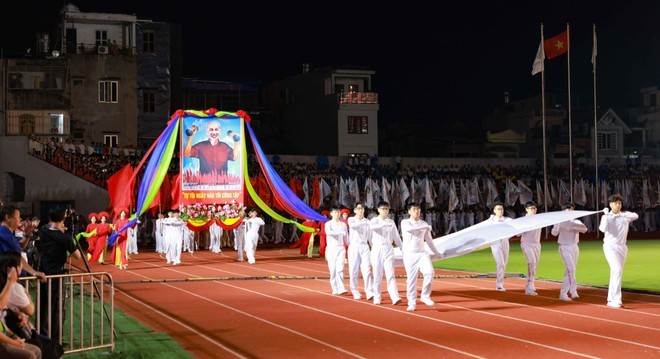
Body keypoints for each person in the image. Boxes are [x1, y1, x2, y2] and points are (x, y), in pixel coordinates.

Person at [37, 208, 81, 343]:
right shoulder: (64, 238)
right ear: (63, 219)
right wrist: (69, 239)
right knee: (56, 307)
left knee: (43, 305)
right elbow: (77, 256)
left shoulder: (43, 232)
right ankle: (56, 339)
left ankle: (42, 335)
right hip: (56, 275)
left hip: (43, 272)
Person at [400, 203, 443, 312]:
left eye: (418, 209)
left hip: (422, 253)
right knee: (411, 279)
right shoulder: (405, 222)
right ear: (409, 212)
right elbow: (411, 229)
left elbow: (428, 240)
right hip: (409, 255)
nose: (417, 211)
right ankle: (412, 302)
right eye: (414, 210)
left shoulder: (424, 223)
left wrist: (436, 252)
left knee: (430, 272)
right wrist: (426, 227)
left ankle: (425, 296)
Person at [599, 194, 638, 308]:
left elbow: (635, 216)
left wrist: (622, 215)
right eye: (616, 203)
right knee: (617, 270)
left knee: (615, 273)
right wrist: (607, 216)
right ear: (610, 204)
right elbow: (602, 229)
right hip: (610, 246)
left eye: (620, 203)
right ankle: (616, 299)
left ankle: (610, 299)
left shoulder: (624, 216)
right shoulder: (606, 217)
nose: (618, 205)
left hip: (622, 247)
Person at [0, 253, 43, 359]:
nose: (22, 266)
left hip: (7, 335)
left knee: (36, 350)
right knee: (30, 355)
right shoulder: (12, 287)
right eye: (20, 264)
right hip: (3, 342)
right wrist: (14, 342)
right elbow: (30, 310)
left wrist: (19, 314)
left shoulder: (8, 286)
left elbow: (3, 310)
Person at [369, 201, 403, 306]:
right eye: (383, 209)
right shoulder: (374, 220)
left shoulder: (391, 222)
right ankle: (377, 296)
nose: (385, 211)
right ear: (378, 210)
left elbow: (396, 236)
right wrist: (384, 224)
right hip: (377, 248)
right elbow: (372, 229)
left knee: (390, 273)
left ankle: (394, 296)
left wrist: (402, 248)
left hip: (388, 248)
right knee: (377, 274)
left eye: (387, 209)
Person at [551, 202, 587, 301]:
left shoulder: (576, 221)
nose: (569, 212)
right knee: (571, 269)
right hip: (564, 247)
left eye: (571, 210)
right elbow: (554, 233)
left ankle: (570, 291)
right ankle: (567, 292)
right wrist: (557, 224)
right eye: (567, 211)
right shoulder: (559, 221)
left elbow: (584, 229)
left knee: (570, 270)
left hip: (575, 247)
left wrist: (572, 227)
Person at [0, 205, 46, 282]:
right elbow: (17, 256)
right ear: (7, 217)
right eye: (17, 216)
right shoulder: (4, 233)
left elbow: (19, 248)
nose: (20, 219)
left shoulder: (7, 233)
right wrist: (33, 272)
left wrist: (27, 235)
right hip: (6, 280)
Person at [347, 203, 373, 300]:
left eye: (362, 208)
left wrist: (373, 247)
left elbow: (370, 236)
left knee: (367, 270)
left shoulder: (368, 221)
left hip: (364, 246)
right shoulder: (351, 219)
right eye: (358, 208)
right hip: (354, 246)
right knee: (353, 270)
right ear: (354, 210)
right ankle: (355, 291)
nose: (360, 210)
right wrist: (366, 223)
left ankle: (369, 291)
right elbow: (354, 227)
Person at [516, 201, 542, 296]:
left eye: (535, 208)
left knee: (535, 266)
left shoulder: (540, 219)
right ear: (526, 209)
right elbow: (518, 234)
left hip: (537, 244)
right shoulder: (523, 220)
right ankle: (528, 288)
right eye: (531, 208)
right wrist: (524, 226)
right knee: (532, 263)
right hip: (526, 244)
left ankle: (531, 284)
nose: (533, 210)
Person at [324, 206, 349, 295]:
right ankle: (334, 287)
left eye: (338, 212)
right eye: (335, 212)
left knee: (340, 268)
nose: (337, 214)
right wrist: (340, 232)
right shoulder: (328, 224)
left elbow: (346, 237)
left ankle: (341, 287)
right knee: (333, 269)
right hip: (331, 248)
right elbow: (328, 233)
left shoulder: (343, 225)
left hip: (341, 248)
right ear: (331, 213)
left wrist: (351, 245)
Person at [488, 202, 512, 291]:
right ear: (494, 210)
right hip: (495, 244)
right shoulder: (490, 221)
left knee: (504, 264)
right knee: (500, 263)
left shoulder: (507, 220)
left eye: (502, 209)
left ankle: (501, 283)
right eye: (498, 209)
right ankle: (499, 284)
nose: (500, 211)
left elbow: (516, 226)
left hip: (505, 242)